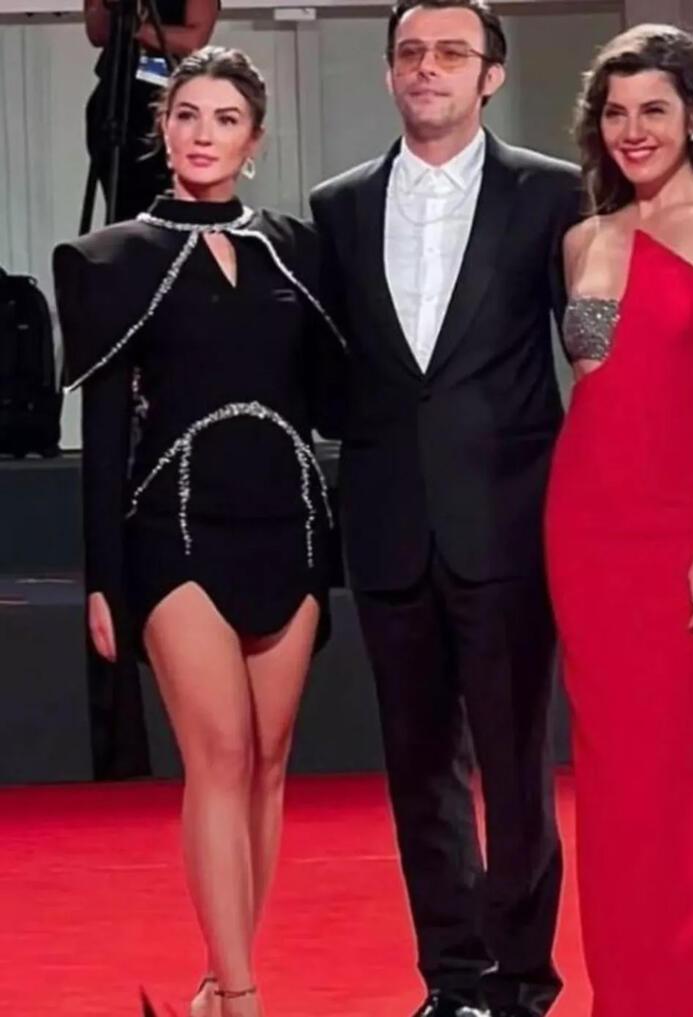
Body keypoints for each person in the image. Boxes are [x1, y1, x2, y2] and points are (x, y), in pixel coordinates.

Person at [54, 46, 345, 1017]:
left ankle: (219, 982)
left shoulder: (298, 251)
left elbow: (339, 393)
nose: (203, 134)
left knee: (268, 762)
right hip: (171, 531)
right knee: (217, 755)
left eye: (225, 119)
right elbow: (101, 436)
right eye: (187, 116)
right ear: (163, 129)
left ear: (254, 140)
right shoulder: (110, 259)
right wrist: (103, 580)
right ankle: (246, 995)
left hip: (290, 526)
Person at [310, 2, 582, 1014]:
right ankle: (452, 977)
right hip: (388, 526)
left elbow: (590, 345)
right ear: (390, 73)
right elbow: (331, 366)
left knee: (514, 771)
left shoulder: (552, 194)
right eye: (411, 53)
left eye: (451, 53)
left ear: (490, 76)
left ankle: (522, 983)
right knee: (418, 770)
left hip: (508, 524)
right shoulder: (338, 206)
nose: (428, 68)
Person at [544, 24, 693, 1017]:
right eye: (616, 112)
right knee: (610, 780)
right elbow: (597, 388)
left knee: (672, 776)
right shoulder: (584, 237)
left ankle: (687, 998)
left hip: (683, 530)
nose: (633, 130)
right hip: (585, 527)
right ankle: (623, 995)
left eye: (654, 110)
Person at [84, 0, 219, 221]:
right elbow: (97, 33)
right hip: (115, 99)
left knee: (163, 201)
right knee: (122, 206)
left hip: (165, 103)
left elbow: (194, 40)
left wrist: (138, 29)